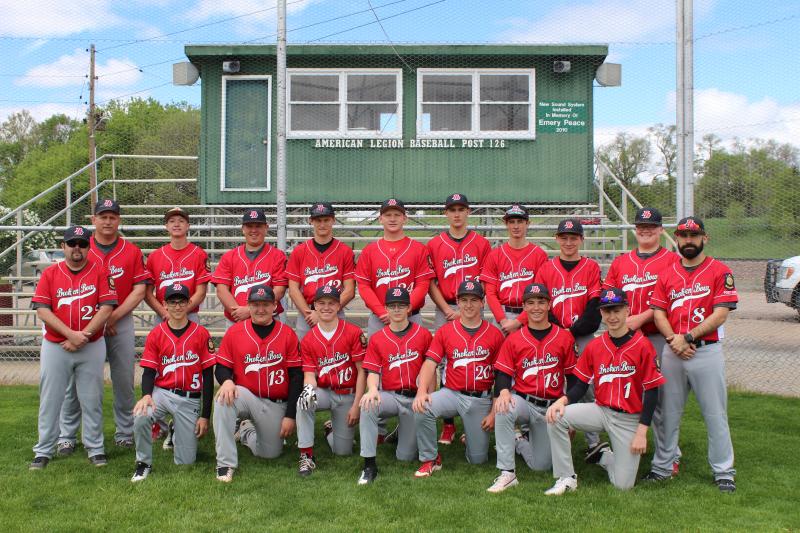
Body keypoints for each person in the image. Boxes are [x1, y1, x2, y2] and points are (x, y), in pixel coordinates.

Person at [643, 216, 739, 493]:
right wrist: (674, 340)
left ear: (704, 238)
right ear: (676, 239)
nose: (688, 240)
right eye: (683, 236)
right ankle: (662, 467)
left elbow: (720, 314)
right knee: (667, 414)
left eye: (693, 236)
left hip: (706, 351)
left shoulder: (720, 271)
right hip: (673, 351)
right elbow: (659, 313)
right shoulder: (667, 273)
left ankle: (723, 471)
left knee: (715, 414)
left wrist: (687, 338)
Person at [544, 287, 665, 494]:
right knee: (556, 416)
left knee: (623, 485)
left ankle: (605, 457)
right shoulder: (595, 346)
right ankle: (566, 477)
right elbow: (581, 385)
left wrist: (641, 432)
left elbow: (652, 391)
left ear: (627, 310)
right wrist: (562, 401)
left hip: (628, 419)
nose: (612, 316)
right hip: (600, 411)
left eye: (617, 310)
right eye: (607, 311)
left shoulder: (643, 345)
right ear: (601, 313)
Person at [58, 199, 149, 452]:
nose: (108, 221)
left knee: (124, 379)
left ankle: (125, 431)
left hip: (120, 320)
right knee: (75, 380)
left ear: (119, 220)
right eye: (103, 216)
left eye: (112, 217)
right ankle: (67, 434)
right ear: (93, 220)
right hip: (83, 321)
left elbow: (139, 289)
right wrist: (97, 320)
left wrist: (113, 316)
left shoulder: (131, 251)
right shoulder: (81, 246)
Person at [29, 226, 116, 469]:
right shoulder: (50, 273)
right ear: (63, 247)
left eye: (82, 243)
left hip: (91, 345)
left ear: (89, 247)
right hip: (56, 345)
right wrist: (71, 335)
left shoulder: (100, 271)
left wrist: (82, 336)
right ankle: (44, 449)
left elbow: (106, 308)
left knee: (92, 399)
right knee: (50, 399)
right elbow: (42, 310)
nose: (77, 247)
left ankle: (95, 448)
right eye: (72, 243)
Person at [602, 206, 681, 475]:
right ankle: (629, 444)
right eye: (641, 227)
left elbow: (671, 298)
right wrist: (623, 322)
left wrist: (641, 317)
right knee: (626, 393)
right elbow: (608, 297)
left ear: (660, 230)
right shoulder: (621, 262)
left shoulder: (672, 260)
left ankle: (670, 455)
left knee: (661, 399)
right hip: (626, 339)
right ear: (635, 230)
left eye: (651, 227)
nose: (645, 231)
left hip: (656, 336)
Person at [487, 283, 577, 493]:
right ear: (524, 307)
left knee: (540, 465)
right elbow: (503, 373)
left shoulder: (564, 337)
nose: (536, 307)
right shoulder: (515, 338)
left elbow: (573, 378)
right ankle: (507, 473)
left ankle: (518, 440)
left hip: (551, 407)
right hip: (524, 402)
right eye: (531, 303)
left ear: (549, 305)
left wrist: (570, 413)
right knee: (503, 407)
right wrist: (503, 391)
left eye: (541, 302)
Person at [526, 217, 602, 454]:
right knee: (549, 381)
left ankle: (593, 441)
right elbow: (542, 306)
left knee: (587, 386)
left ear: (581, 239)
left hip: (583, 335)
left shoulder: (591, 267)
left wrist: (573, 331)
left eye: (573, 238)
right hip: (554, 335)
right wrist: (561, 331)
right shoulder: (546, 269)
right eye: (564, 237)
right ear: (557, 239)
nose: (569, 242)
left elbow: (594, 308)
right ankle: (545, 430)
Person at [412, 280, 504, 477]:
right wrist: (421, 392)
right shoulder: (445, 331)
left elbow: (501, 377)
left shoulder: (495, 334)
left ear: (482, 303)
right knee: (422, 407)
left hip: (480, 399)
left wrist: (493, 412)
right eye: (464, 300)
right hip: (451, 394)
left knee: (478, 459)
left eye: (474, 300)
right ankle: (430, 458)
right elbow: (430, 363)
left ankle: (471, 436)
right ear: (458, 302)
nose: (468, 305)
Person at [212, 285, 302, 483]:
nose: (260, 309)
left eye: (265, 304)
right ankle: (225, 463)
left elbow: (297, 377)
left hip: (276, 403)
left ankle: (246, 431)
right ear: (248, 305)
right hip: (246, 396)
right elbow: (221, 367)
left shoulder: (287, 334)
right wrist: (226, 381)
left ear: (275, 306)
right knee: (223, 399)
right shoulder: (235, 332)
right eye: (255, 304)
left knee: (269, 454)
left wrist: (290, 416)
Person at [130, 283, 215, 482]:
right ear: (165, 304)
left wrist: (205, 416)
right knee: (141, 414)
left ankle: (175, 429)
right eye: (173, 302)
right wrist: (146, 395)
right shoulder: (156, 333)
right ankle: (143, 463)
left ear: (189, 303)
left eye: (182, 301)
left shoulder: (201, 333)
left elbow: (208, 376)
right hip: (162, 393)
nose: (177, 306)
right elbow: (149, 371)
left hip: (189, 399)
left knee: (185, 462)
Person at [426, 193, 491, 445]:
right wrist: (446, 309)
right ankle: (448, 424)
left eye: (461, 209)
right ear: (446, 213)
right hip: (445, 307)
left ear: (468, 212)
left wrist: (468, 309)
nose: (456, 214)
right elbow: (431, 282)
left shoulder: (481, 243)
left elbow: (485, 280)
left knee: (476, 360)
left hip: (473, 307)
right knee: (444, 363)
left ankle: (475, 418)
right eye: (452, 209)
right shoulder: (435, 244)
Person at [357, 287, 433, 485]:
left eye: (401, 305)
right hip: (390, 396)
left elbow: (431, 369)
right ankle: (369, 465)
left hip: (414, 399)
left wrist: (429, 395)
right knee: (368, 404)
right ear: (386, 309)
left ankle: (402, 430)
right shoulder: (378, 338)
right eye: (392, 306)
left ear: (409, 308)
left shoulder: (424, 334)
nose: (397, 309)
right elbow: (372, 372)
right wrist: (372, 390)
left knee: (405, 457)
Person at [295, 285, 366, 476]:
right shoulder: (308, 339)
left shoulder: (353, 332)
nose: (326, 307)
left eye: (331, 303)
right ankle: (306, 455)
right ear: (315, 306)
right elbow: (309, 374)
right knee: (304, 401)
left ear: (338, 306)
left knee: (343, 452)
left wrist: (357, 405)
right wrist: (308, 390)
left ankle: (330, 429)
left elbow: (362, 372)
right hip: (324, 392)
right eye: (321, 303)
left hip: (348, 394)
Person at [355, 198, 434, 336]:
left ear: (405, 219)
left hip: (411, 316)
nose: (392, 219)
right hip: (379, 318)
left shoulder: (419, 249)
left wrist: (405, 310)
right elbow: (363, 286)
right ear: (380, 219)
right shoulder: (369, 251)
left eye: (397, 215)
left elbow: (422, 284)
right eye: (388, 215)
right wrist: (381, 311)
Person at [286, 202, 356, 340]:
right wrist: (310, 314)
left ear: (333, 220)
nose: (322, 224)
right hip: (307, 314)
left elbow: (349, 290)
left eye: (326, 220)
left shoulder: (345, 251)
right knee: (306, 352)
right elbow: (293, 290)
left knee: (337, 352)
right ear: (311, 221)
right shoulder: (299, 251)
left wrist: (325, 312)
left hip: (336, 312)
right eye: (318, 220)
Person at [212, 208, 288, 326]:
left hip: (268, 320)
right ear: (243, 229)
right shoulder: (229, 257)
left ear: (266, 228)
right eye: (249, 226)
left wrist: (249, 310)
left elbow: (279, 289)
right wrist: (237, 313)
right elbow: (221, 290)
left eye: (258, 226)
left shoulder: (278, 256)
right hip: (236, 319)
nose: (253, 230)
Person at [480, 204, 548, 335]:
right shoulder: (495, 255)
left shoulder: (539, 255)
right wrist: (502, 320)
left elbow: (541, 293)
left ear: (528, 223)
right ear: (506, 224)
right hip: (502, 316)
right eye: (512, 222)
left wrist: (519, 321)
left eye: (520, 221)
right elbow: (490, 293)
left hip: (531, 315)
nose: (516, 226)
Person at [144, 207, 211, 324]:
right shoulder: (154, 256)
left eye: (181, 221)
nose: (176, 224)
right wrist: (164, 313)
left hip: (190, 315)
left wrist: (181, 311)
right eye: (172, 221)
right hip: (163, 315)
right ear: (166, 226)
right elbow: (147, 293)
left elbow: (201, 292)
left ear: (188, 226)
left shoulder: (199, 254)